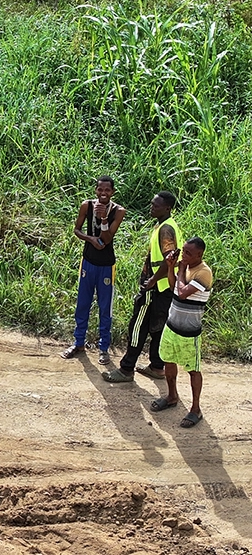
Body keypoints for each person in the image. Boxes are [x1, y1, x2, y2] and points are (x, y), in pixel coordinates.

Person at [103, 190, 183, 383]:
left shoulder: (165, 229)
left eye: (156, 205)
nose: (152, 207)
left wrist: (153, 280)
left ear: (167, 208)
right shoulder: (168, 225)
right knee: (158, 328)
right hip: (166, 288)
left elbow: (169, 258)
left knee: (138, 326)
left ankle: (126, 369)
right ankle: (157, 366)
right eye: (152, 204)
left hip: (155, 288)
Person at [62, 177, 126, 364]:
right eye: (100, 189)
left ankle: (103, 348)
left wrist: (104, 217)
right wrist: (90, 239)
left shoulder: (118, 211)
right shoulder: (87, 205)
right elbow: (77, 229)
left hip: (106, 265)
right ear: (95, 190)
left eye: (107, 190)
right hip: (88, 261)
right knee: (83, 303)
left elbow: (106, 238)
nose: (103, 193)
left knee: (105, 308)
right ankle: (78, 342)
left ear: (113, 192)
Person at [151, 237, 213, 428]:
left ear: (199, 255)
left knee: (193, 370)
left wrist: (179, 270)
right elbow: (172, 287)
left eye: (188, 253)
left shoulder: (204, 273)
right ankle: (172, 396)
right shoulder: (185, 267)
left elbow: (183, 292)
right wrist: (171, 268)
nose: (183, 255)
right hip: (172, 325)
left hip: (189, 332)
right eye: (183, 251)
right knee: (169, 360)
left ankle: (196, 409)